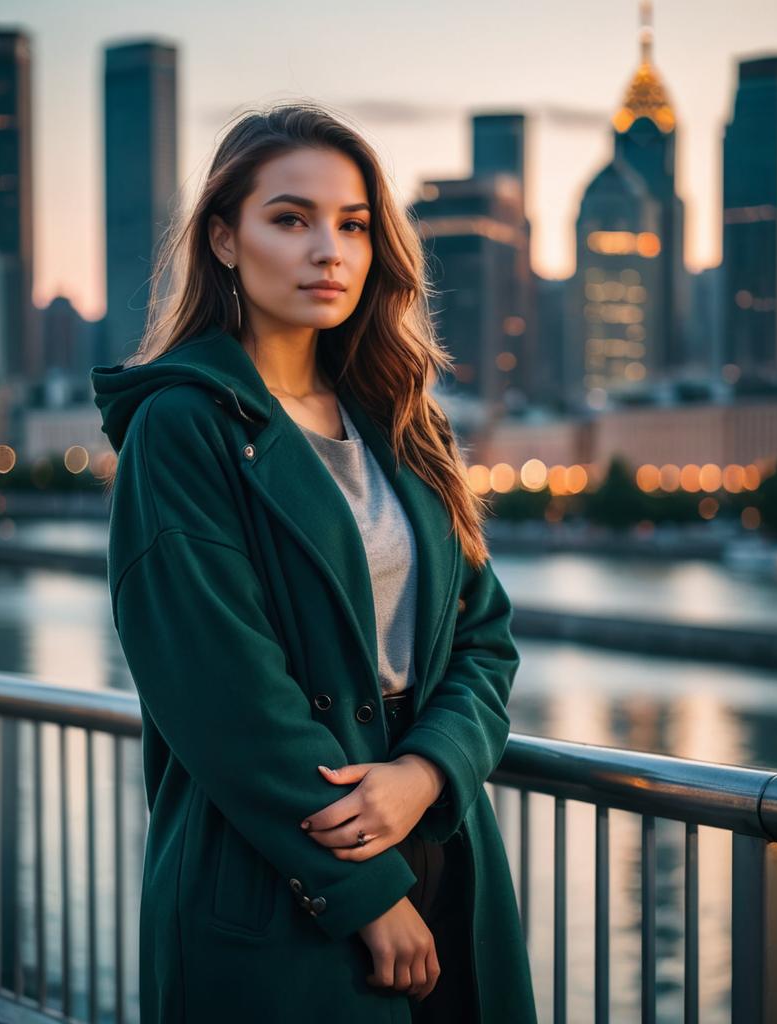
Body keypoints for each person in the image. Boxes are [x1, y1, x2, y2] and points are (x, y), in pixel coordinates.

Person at [91, 101, 537, 1024]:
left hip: (443, 853)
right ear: (224, 239)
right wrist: (365, 892)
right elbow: (225, 695)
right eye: (289, 219)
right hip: (276, 884)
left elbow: (484, 641)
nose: (326, 250)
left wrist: (426, 774)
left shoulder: (405, 422)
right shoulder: (182, 429)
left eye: (353, 225)